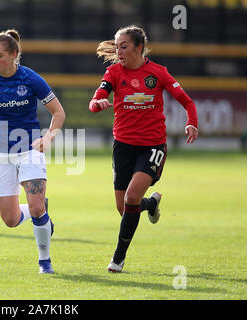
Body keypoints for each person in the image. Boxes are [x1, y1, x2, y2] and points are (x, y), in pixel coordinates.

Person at [89, 25, 198, 273]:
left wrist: (192, 122)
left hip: (152, 146)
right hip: (123, 146)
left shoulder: (158, 73)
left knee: (130, 198)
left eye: (124, 46)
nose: (119, 52)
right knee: (124, 207)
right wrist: (98, 103)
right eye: (116, 47)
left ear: (139, 47)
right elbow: (96, 100)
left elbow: (186, 101)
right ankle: (152, 204)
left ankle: (118, 258)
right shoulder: (114, 72)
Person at [0, 29, 65, 274]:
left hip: (29, 149)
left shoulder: (31, 79)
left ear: (14, 54)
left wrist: (48, 137)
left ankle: (44, 262)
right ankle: (39, 208)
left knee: (37, 208)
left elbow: (58, 113)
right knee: (10, 220)